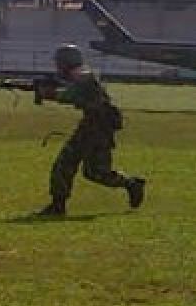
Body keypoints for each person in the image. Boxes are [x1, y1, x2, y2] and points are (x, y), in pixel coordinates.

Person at [35, 43, 145, 216]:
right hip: (95, 125)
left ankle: (58, 206)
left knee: (79, 168)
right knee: (81, 168)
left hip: (97, 126)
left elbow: (70, 95)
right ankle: (131, 184)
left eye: (59, 62)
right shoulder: (80, 75)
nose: (57, 66)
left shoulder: (83, 75)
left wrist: (49, 94)